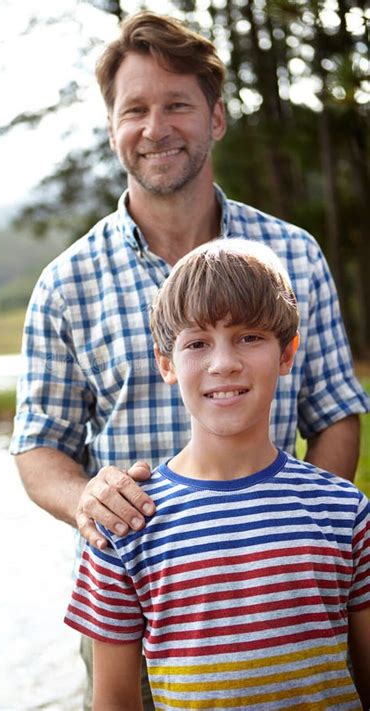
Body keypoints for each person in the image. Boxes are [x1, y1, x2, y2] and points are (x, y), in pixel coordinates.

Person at [10, 11, 369, 709]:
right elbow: (38, 450)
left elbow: (336, 412)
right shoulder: (65, 284)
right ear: (113, 126)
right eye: (135, 109)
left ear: (216, 118)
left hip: (292, 587)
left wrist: (296, 541)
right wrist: (88, 499)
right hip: (140, 594)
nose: (155, 128)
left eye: (177, 104)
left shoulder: (293, 254)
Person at [64, 238, 370, 711]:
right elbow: (115, 703)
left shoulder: (345, 510)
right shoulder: (124, 526)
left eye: (249, 337)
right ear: (166, 363)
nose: (224, 363)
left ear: (287, 354)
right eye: (197, 343)